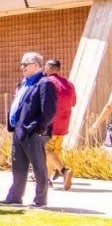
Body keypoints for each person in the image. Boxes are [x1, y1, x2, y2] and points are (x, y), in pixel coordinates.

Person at [0, 52, 57, 208]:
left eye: (26, 64)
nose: (22, 67)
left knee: (38, 167)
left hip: (32, 131)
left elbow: (49, 110)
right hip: (18, 130)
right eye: (21, 64)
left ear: (37, 65)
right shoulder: (24, 83)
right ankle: (14, 197)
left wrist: (38, 128)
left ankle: (40, 200)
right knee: (18, 166)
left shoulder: (45, 83)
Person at [43, 59, 76, 190]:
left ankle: (64, 170)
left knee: (46, 151)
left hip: (50, 124)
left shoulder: (47, 83)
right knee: (54, 152)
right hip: (63, 125)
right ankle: (47, 179)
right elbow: (73, 103)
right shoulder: (69, 84)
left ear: (48, 69)